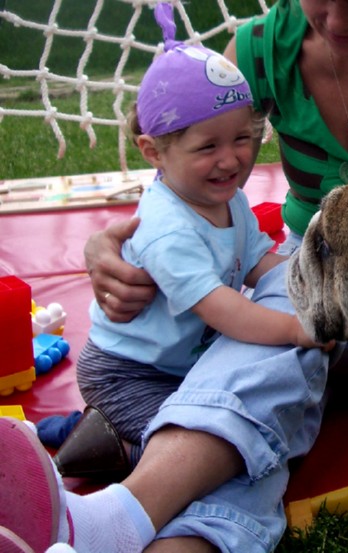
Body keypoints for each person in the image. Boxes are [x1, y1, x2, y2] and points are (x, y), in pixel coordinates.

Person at [1, 1, 348, 552]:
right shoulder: (258, 49)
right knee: (280, 330)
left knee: (277, 333)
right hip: (312, 268)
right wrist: (114, 243)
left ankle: (114, 511)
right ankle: (167, 534)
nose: (335, 21)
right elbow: (182, 158)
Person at [46, 3, 326, 479]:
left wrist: (311, 281)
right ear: (153, 151)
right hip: (128, 373)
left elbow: (258, 259)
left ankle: (87, 429)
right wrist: (296, 330)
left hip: (181, 364)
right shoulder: (168, 227)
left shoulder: (225, 197)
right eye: (207, 147)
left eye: (243, 138)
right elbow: (220, 306)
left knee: (231, 423)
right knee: (198, 450)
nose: (231, 159)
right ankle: (108, 450)